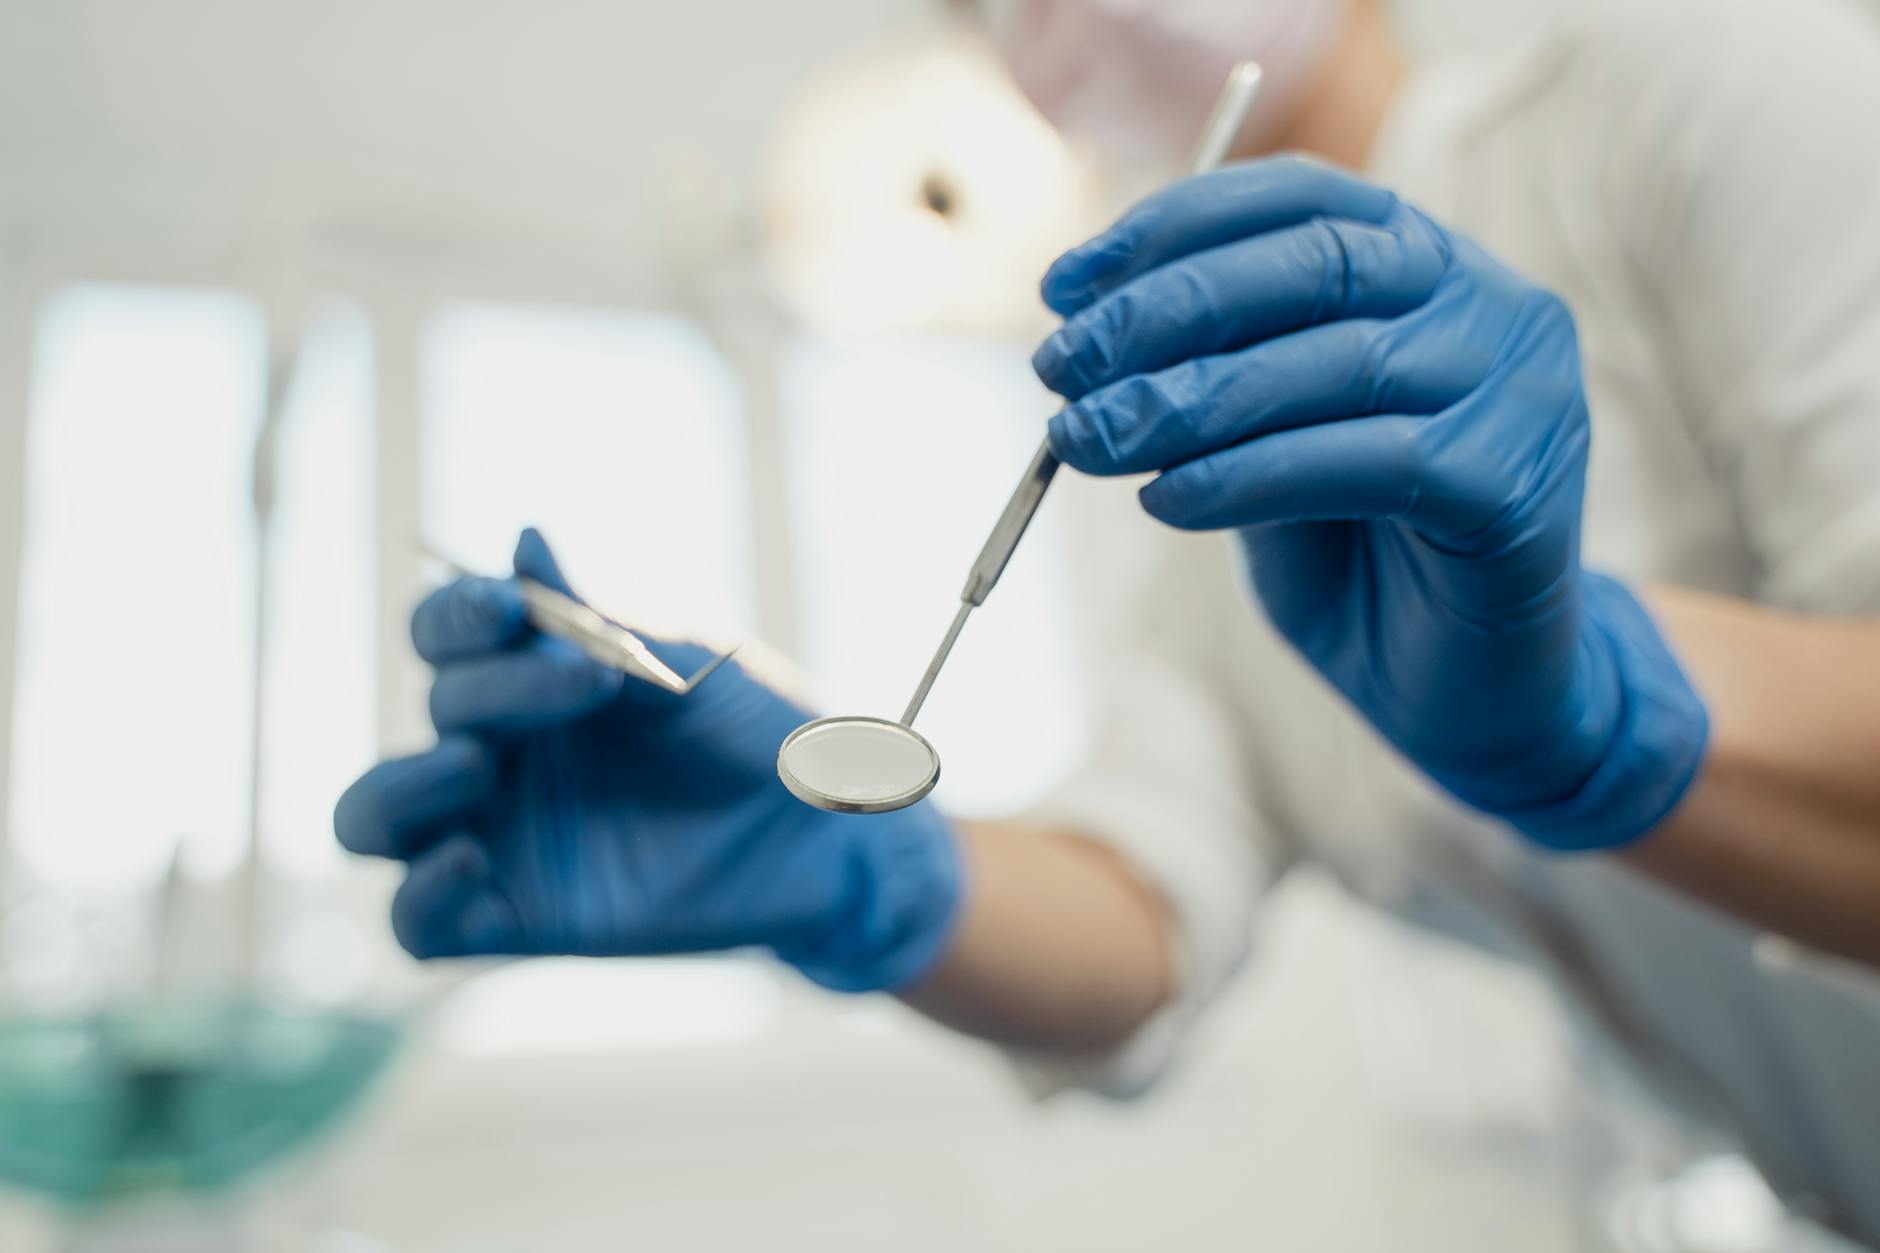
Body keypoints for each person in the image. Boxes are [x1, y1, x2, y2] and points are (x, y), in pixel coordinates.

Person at [334, 0, 1880, 1241]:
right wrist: (864, 873)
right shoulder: (1208, 502)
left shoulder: (1698, 84)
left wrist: (1600, 704)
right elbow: (1145, 909)